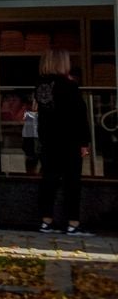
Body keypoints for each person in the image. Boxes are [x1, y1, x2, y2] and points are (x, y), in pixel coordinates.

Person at [34, 49, 91, 235]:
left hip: (49, 140)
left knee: (49, 180)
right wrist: (84, 142)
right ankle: (73, 223)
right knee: (72, 182)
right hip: (69, 141)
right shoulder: (69, 86)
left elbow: (43, 115)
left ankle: (46, 221)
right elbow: (79, 116)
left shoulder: (41, 86)